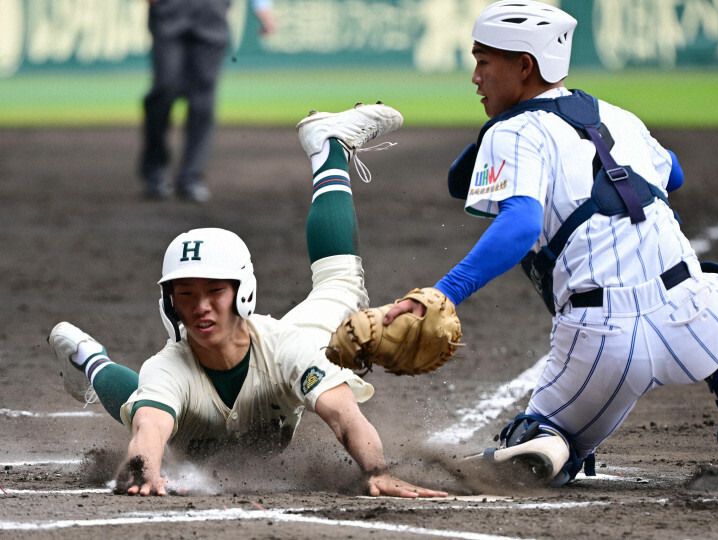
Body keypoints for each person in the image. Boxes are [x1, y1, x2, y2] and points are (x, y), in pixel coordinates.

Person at [386, 0, 718, 485]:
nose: (475, 76)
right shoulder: (617, 117)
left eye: (483, 61)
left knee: (548, 438)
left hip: (602, 339)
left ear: (524, 67)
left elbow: (518, 226)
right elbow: (675, 171)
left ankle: (548, 439)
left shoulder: (512, 132)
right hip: (690, 314)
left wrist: (443, 292)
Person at [50, 103, 447, 498]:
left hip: (281, 342)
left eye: (214, 292)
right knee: (140, 405)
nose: (200, 306)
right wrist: (143, 471)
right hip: (183, 407)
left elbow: (343, 414)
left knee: (343, 284)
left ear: (243, 293)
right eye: (185, 294)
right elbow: (150, 429)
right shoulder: (168, 368)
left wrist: (376, 470)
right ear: (170, 304)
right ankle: (90, 359)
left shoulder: (290, 348)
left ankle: (328, 149)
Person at [140, 0, 278, 203]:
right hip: (170, 9)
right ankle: (155, 170)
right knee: (165, 88)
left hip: (211, 11)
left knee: (203, 98)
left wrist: (263, 8)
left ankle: (191, 177)